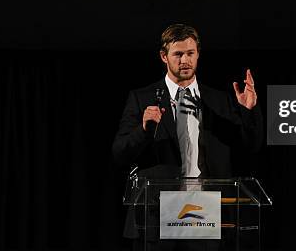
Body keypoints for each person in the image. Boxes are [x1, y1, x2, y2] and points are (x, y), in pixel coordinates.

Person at [112, 24, 263, 247]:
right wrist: (143, 130)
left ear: (198, 54)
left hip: (206, 211)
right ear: (164, 56)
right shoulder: (141, 98)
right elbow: (119, 154)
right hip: (158, 212)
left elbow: (251, 146)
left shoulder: (218, 100)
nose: (185, 60)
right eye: (178, 54)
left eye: (190, 53)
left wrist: (249, 112)